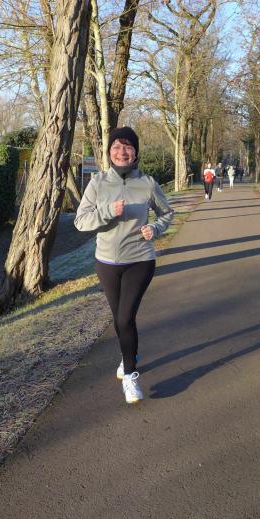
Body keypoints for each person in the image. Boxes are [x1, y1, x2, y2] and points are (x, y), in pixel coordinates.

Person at [74, 126, 174, 404]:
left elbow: (167, 213)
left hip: (140, 260)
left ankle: (130, 375)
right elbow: (81, 221)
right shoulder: (97, 183)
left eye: (128, 146)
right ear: (109, 152)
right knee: (120, 318)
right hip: (106, 262)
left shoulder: (148, 183)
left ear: (135, 152)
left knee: (124, 318)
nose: (122, 152)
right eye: (116, 147)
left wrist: (155, 228)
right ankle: (128, 355)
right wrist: (108, 211)